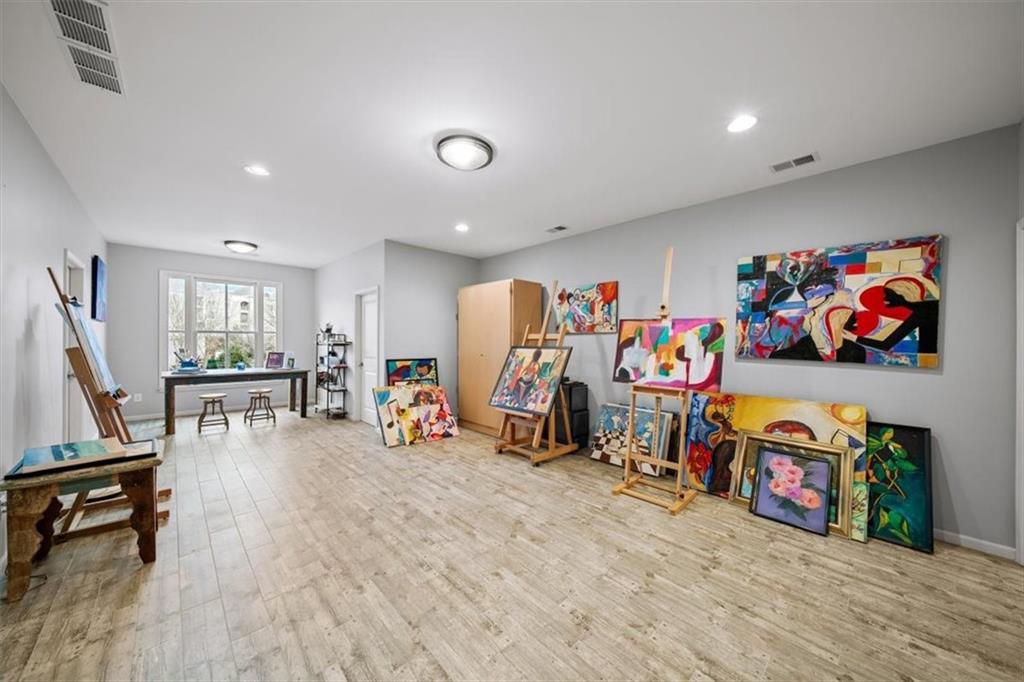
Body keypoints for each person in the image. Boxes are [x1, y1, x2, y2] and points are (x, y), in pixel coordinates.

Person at [843, 277, 938, 355]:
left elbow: (885, 345)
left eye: (887, 294)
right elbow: (886, 345)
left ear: (902, 294)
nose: (884, 298)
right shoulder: (917, 313)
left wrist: (854, 338)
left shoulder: (918, 315)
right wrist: (855, 338)